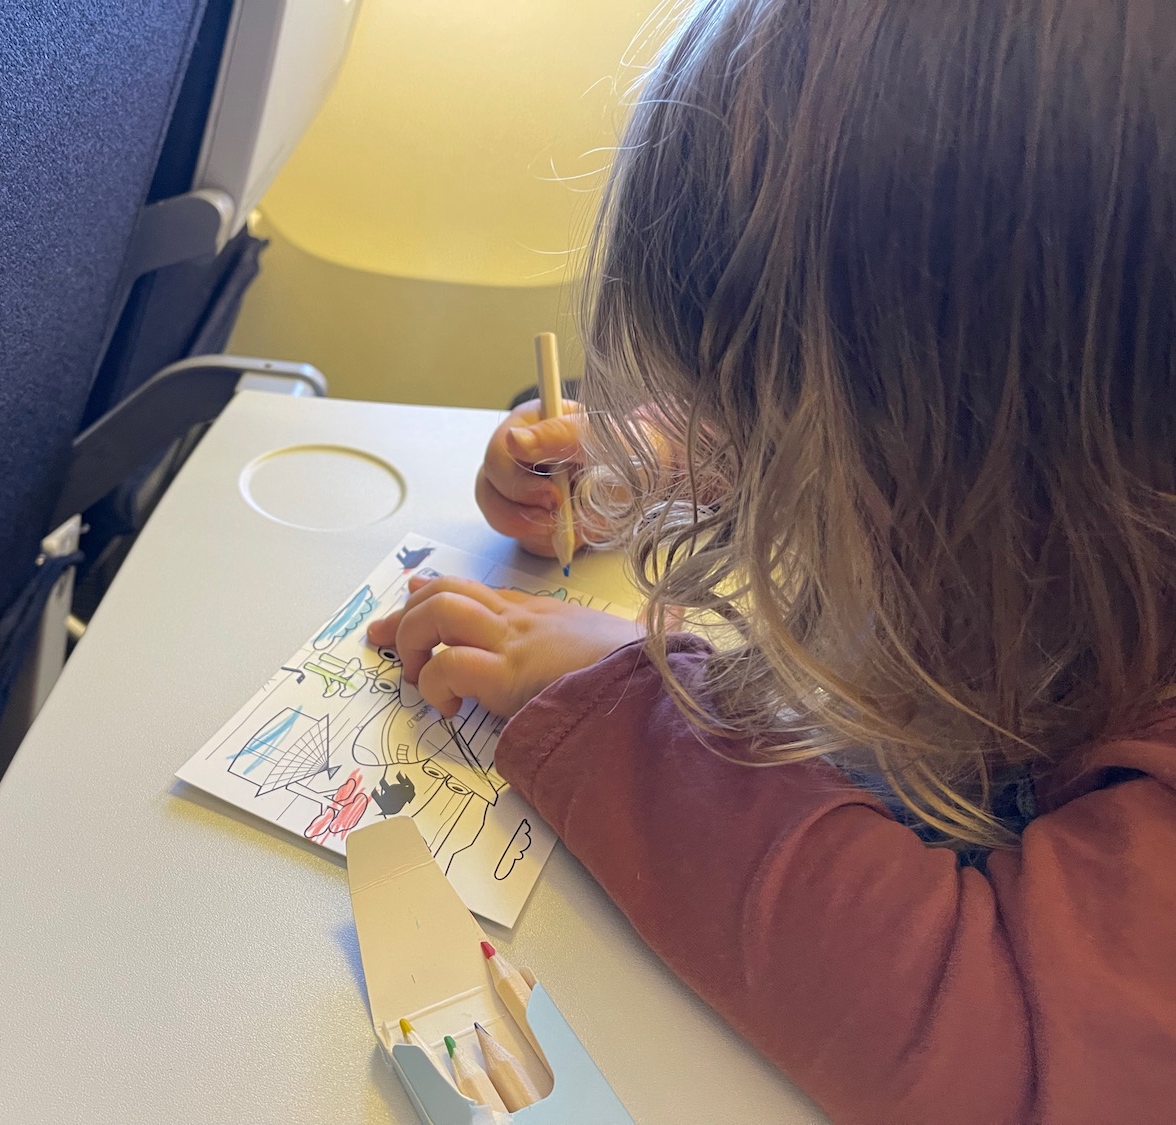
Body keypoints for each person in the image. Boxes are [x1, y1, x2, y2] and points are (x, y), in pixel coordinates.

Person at [367, 1, 1176, 1121]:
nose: (766, 464)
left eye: (790, 432)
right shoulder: (1097, 455)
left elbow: (1011, 1057)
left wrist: (637, 704)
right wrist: (638, 460)